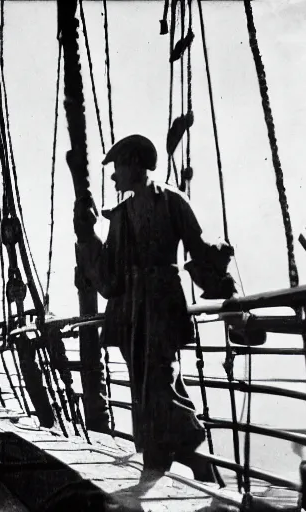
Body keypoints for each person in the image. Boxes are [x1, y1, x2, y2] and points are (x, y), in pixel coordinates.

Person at [74, 134, 236, 482]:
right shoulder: (120, 217)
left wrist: (226, 284)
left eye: (117, 166)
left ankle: (200, 468)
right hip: (131, 315)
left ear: (134, 163)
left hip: (163, 308)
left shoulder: (173, 202)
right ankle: (160, 465)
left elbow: (200, 247)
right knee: (146, 391)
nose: (114, 176)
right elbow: (109, 280)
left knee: (162, 384)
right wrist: (87, 239)